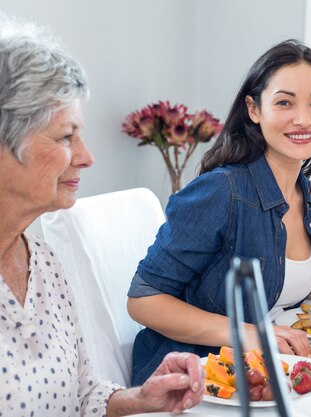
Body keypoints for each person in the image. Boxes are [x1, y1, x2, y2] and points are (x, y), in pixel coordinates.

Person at [127, 39, 311, 385]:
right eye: (284, 102)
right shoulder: (222, 191)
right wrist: (250, 335)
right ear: (254, 110)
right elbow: (143, 299)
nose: (303, 118)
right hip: (193, 377)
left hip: (266, 372)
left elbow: (273, 284)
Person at [0, 18, 205, 416]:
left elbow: (85, 394)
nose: (87, 156)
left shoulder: (43, 261)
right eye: (65, 136)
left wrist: (141, 397)